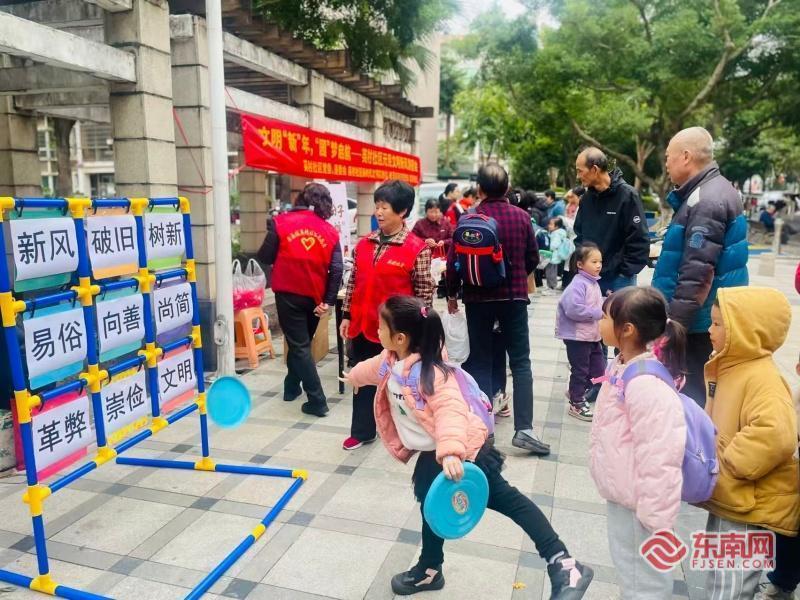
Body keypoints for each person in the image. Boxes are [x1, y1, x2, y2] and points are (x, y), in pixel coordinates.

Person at [341, 296, 594, 598]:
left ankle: (564, 563)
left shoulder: (432, 374)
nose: (377, 331)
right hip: (436, 453)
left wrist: (451, 452)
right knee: (432, 504)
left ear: (400, 338)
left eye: (381, 327)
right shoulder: (390, 360)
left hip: (465, 451)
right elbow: (372, 369)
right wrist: (354, 376)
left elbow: (450, 411)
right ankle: (430, 569)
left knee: (507, 500)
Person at [590, 286, 687, 600]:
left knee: (644, 581)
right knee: (631, 572)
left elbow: (661, 454)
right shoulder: (623, 365)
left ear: (627, 329)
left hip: (642, 505)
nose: (599, 322)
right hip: (626, 493)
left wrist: (655, 516)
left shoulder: (645, 384)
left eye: (605, 317)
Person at [446, 164, 550, 456]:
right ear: (507, 188)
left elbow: (454, 263)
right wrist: (515, 276)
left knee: (479, 361)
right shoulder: (521, 217)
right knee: (520, 362)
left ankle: (483, 430)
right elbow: (533, 258)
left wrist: (453, 293)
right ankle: (524, 430)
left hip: (477, 300)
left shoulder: (467, 219)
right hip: (513, 299)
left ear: (479, 189)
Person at [702, 287, 799, 599]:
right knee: (721, 574)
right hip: (730, 496)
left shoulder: (762, 378)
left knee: (732, 582)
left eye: (718, 324)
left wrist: (733, 461)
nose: (709, 329)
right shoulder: (731, 366)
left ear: (745, 331)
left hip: (747, 503)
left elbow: (777, 433)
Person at [652, 127, 749, 406]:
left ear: (686, 156)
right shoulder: (711, 190)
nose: (666, 163)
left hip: (699, 324)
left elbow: (698, 272)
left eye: (668, 156)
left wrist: (675, 326)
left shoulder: (706, 200)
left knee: (691, 399)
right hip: (704, 318)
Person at [340, 180, 435, 450]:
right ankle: (362, 431)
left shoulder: (417, 248)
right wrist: (346, 314)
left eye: (385, 207)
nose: (379, 212)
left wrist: (420, 331)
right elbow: (353, 282)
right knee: (362, 376)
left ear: (402, 211)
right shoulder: (364, 244)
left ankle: (409, 433)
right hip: (363, 325)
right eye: (377, 206)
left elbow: (424, 294)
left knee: (399, 382)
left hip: (396, 332)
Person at [257, 182, 343, 417]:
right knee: (301, 343)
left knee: (299, 345)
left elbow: (265, 256)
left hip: (288, 294)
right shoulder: (330, 231)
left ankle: (317, 400)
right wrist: (328, 301)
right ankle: (291, 386)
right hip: (315, 298)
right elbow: (337, 269)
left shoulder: (281, 222)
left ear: (299, 199)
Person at [573, 147, 650, 296]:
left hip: (620, 279)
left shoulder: (627, 195)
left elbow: (639, 239)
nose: (578, 176)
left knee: (620, 312)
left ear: (594, 169)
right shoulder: (586, 199)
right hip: (590, 277)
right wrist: (583, 265)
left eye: (580, 171)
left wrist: (625, 272)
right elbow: (579, 235)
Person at [555, 243, 604, 421]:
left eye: (600, 261)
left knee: (599, 371)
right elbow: (573, 309)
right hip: (577, 337)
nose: (598, 265)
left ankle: (576, 391)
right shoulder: (578, 284)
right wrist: (598, 313)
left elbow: (595, 304)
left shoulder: (593, 283)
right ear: (580, 264)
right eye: (594, 261)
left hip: (592, 336)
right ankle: (576, 402)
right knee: (581, 370)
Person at [544, 217, 570, 293]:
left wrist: (549, 248)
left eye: (551, 224)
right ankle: (551, 286)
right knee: (552, 271)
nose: (549, 226)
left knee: (550, 272)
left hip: (553, 256)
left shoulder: (556, 234)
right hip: (555, 256)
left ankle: (551, 287)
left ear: (557, 226)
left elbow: (554, 244)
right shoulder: (559, 233)